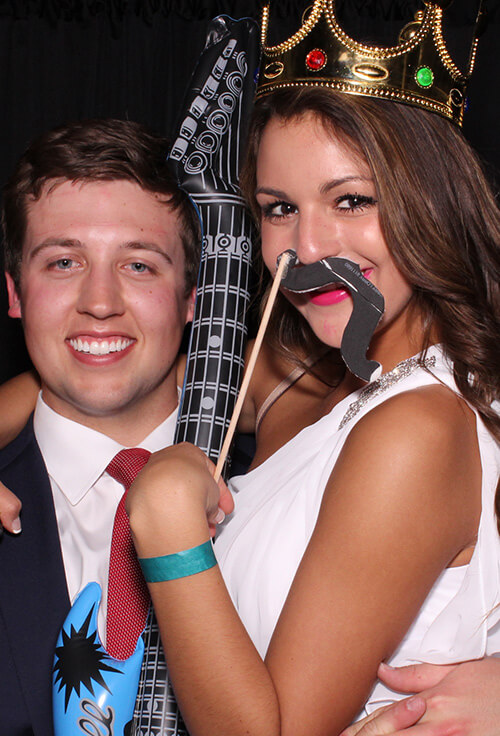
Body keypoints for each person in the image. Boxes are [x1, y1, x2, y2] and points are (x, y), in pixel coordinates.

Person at [120, 3, 500, 735]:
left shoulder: (415, 426)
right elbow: (120, 382)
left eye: (351, 200)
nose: (307, 247)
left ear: (431, 198)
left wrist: (169, 530)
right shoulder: (324, 380)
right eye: (279, 208)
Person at [0, 117, 204, 734]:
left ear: (192, 297)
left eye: (139, 266)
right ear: (13, 292)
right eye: (63, 262)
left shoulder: (284, 487)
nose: (100, 300)